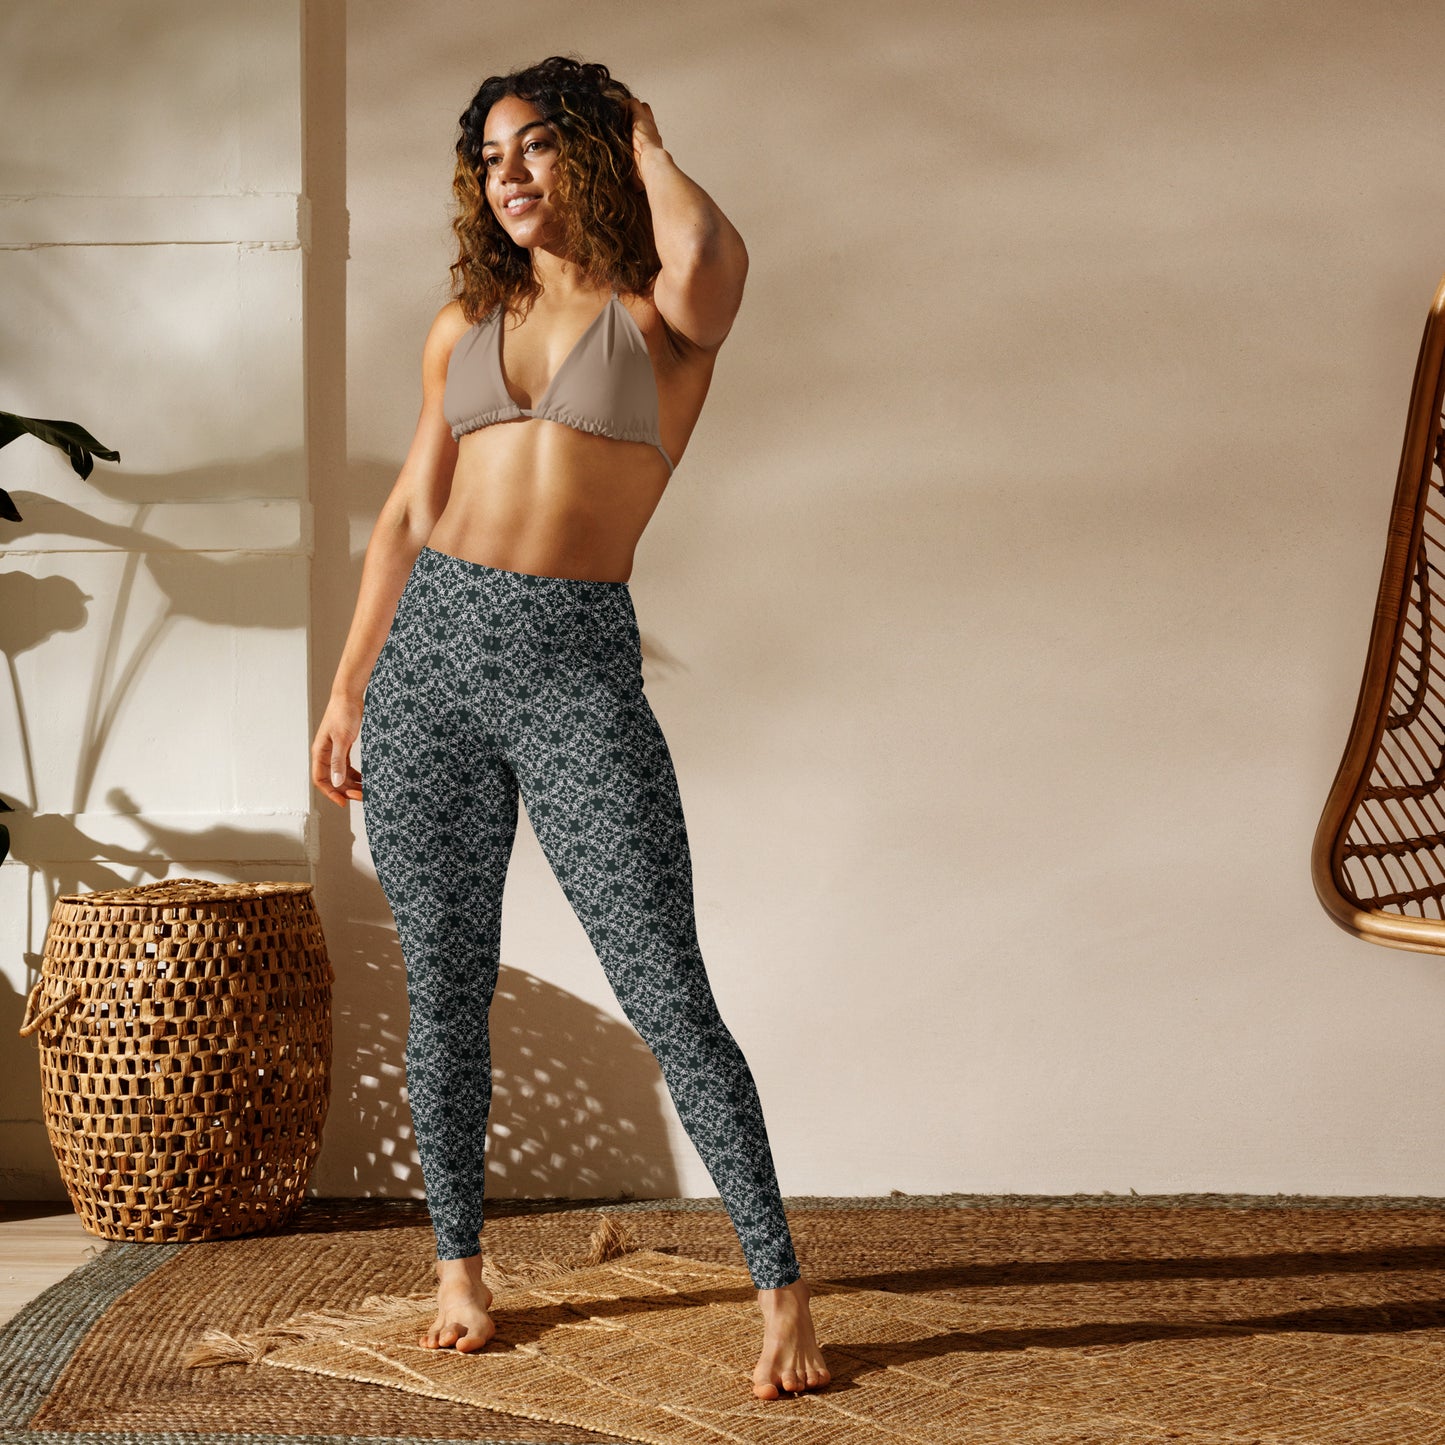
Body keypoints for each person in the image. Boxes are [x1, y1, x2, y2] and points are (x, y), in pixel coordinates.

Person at [309, 56, 829, 1400]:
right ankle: (461, 1268)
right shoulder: (461, 323)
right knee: (445, 985)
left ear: (596, 153)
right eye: (492, 157)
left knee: (665, 986)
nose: (513, 176)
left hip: (571, 669)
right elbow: (409, 515)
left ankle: (780, 1291)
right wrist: (350, 682)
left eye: (541, 147)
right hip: (429, 662)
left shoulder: (668, 317)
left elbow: (712, 245)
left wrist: (649, 141)